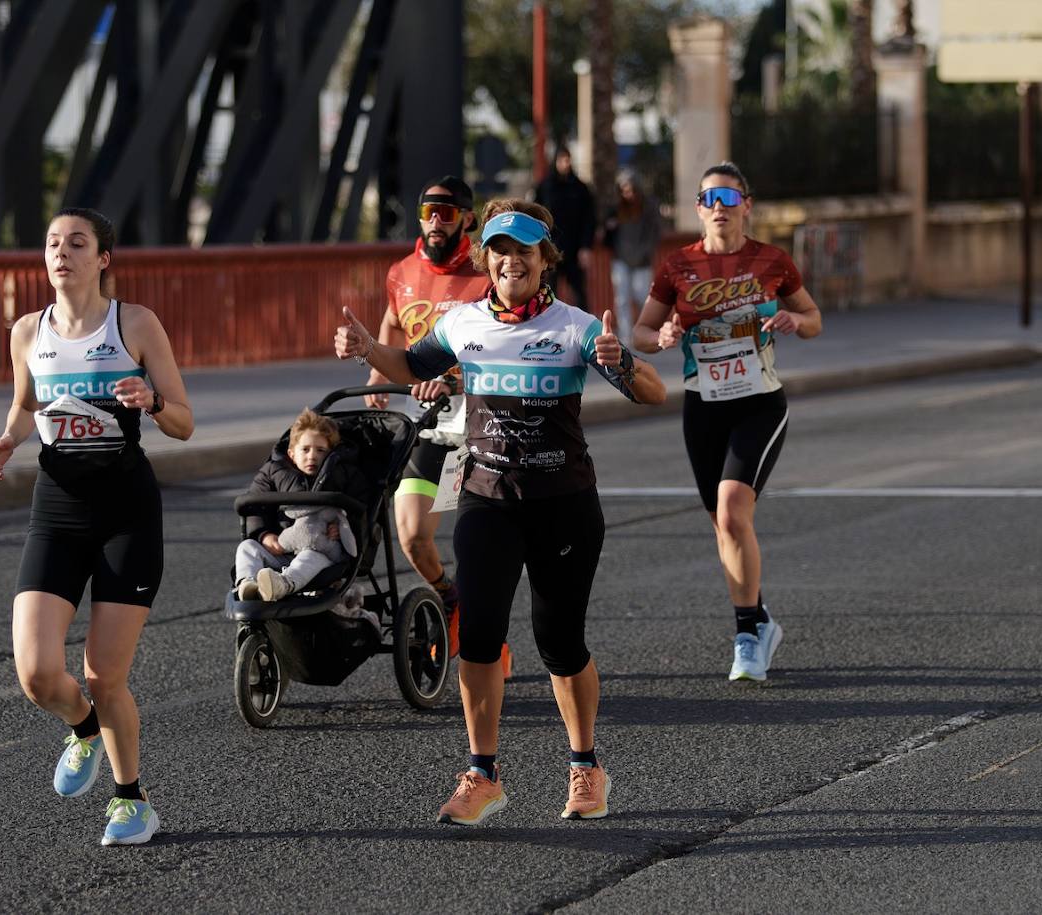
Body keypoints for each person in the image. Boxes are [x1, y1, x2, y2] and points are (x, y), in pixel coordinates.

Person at [335, 199, 666, 826]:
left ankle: (585, 765)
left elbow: (652, 392)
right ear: (487, 259)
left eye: (524, 251)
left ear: (546, 260)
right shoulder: (463, 323)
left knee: (559, 643)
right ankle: (483, 774)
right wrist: (366, 350)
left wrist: (622, 362)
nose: (512, 260)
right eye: (500, 250)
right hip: (488, 501)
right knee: (481, 640)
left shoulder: (575, 327)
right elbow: (410, 365)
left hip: (564, 506)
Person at [0, 207, 193, 846]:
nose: (61, 252)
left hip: (126, 513)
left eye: (77, 243)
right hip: (58, 509)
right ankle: (82, 727)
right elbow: (26, 404)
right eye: (52, 242)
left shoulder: (133, 323)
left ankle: (132, 801)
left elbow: (184, 420)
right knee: (37, 674)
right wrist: (7, 439)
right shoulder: (27, 331)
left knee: (104, 674)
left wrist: (150, 402)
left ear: (104, 258)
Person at [631, 162, 822, 683]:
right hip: (703, 406)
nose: (719, 206)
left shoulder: (772, 261)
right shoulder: (678, 267)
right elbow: (641, 333)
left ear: (747, 206)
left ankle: (745, 635)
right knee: (724, 526)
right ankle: (760, 620)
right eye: (709, 197)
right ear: (697, 209)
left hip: (760, 403)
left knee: (734, 509)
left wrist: (793, 319)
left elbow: (813, 320)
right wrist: (663, 337)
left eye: (730, 197)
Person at [362, 175, 512, 679]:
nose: (434, 222)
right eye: (427, 212)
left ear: (468, 219)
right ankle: (453, 603)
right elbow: (391, 324)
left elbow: (507, 337)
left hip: (483, 423)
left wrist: (454, 379)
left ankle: (489, 636)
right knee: (412, 536)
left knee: (480, 541)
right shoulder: (401, 271)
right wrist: (379, 371)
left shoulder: (484, 273)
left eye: (446, 213)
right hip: (430, 425)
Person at [234, 407, 371, 602]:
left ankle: (283, 584)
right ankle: (249, 585)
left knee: (309, 556)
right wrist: (263, 535)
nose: (312, 456)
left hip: (322, 551)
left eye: (321, 450)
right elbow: (253, 506)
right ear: (291, 453)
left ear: (332, 453)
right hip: (280, 548)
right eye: (305, 450)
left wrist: (342, 529)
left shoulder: (344, 474)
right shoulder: (274, 471)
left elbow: (362, 507)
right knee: (247, 547)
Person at [533, 146, 596, 310]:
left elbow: (589, 219)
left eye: (568, 160)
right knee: (549, 292)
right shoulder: (545, 187)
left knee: (579, 293)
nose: (565, 164)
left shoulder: (580, 188)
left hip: (574, 249)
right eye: (562, 160)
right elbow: (536, 215)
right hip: (551, 248)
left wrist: (586, 247)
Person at [604, 170, 662, 330]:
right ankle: (626, 336)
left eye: (630, 190)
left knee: (642, 297)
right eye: (623, 190)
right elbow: (607, 234)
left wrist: (644, 253)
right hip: (620, 259)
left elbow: (654, 233)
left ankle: (645, 331)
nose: (627, 194)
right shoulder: (615, 208)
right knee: (622, 299)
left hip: (642, 260)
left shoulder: (649, 206)